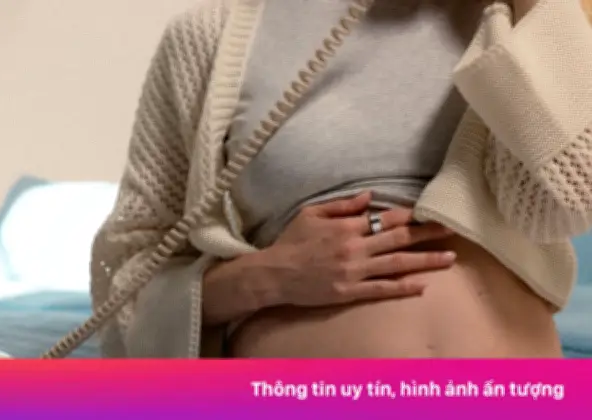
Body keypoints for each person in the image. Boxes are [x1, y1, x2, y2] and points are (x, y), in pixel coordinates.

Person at [89, 0, 592, 358]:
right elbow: (126, 274)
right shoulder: (206, 39)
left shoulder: (520, 17)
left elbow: (570, 199)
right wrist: (265, 278)